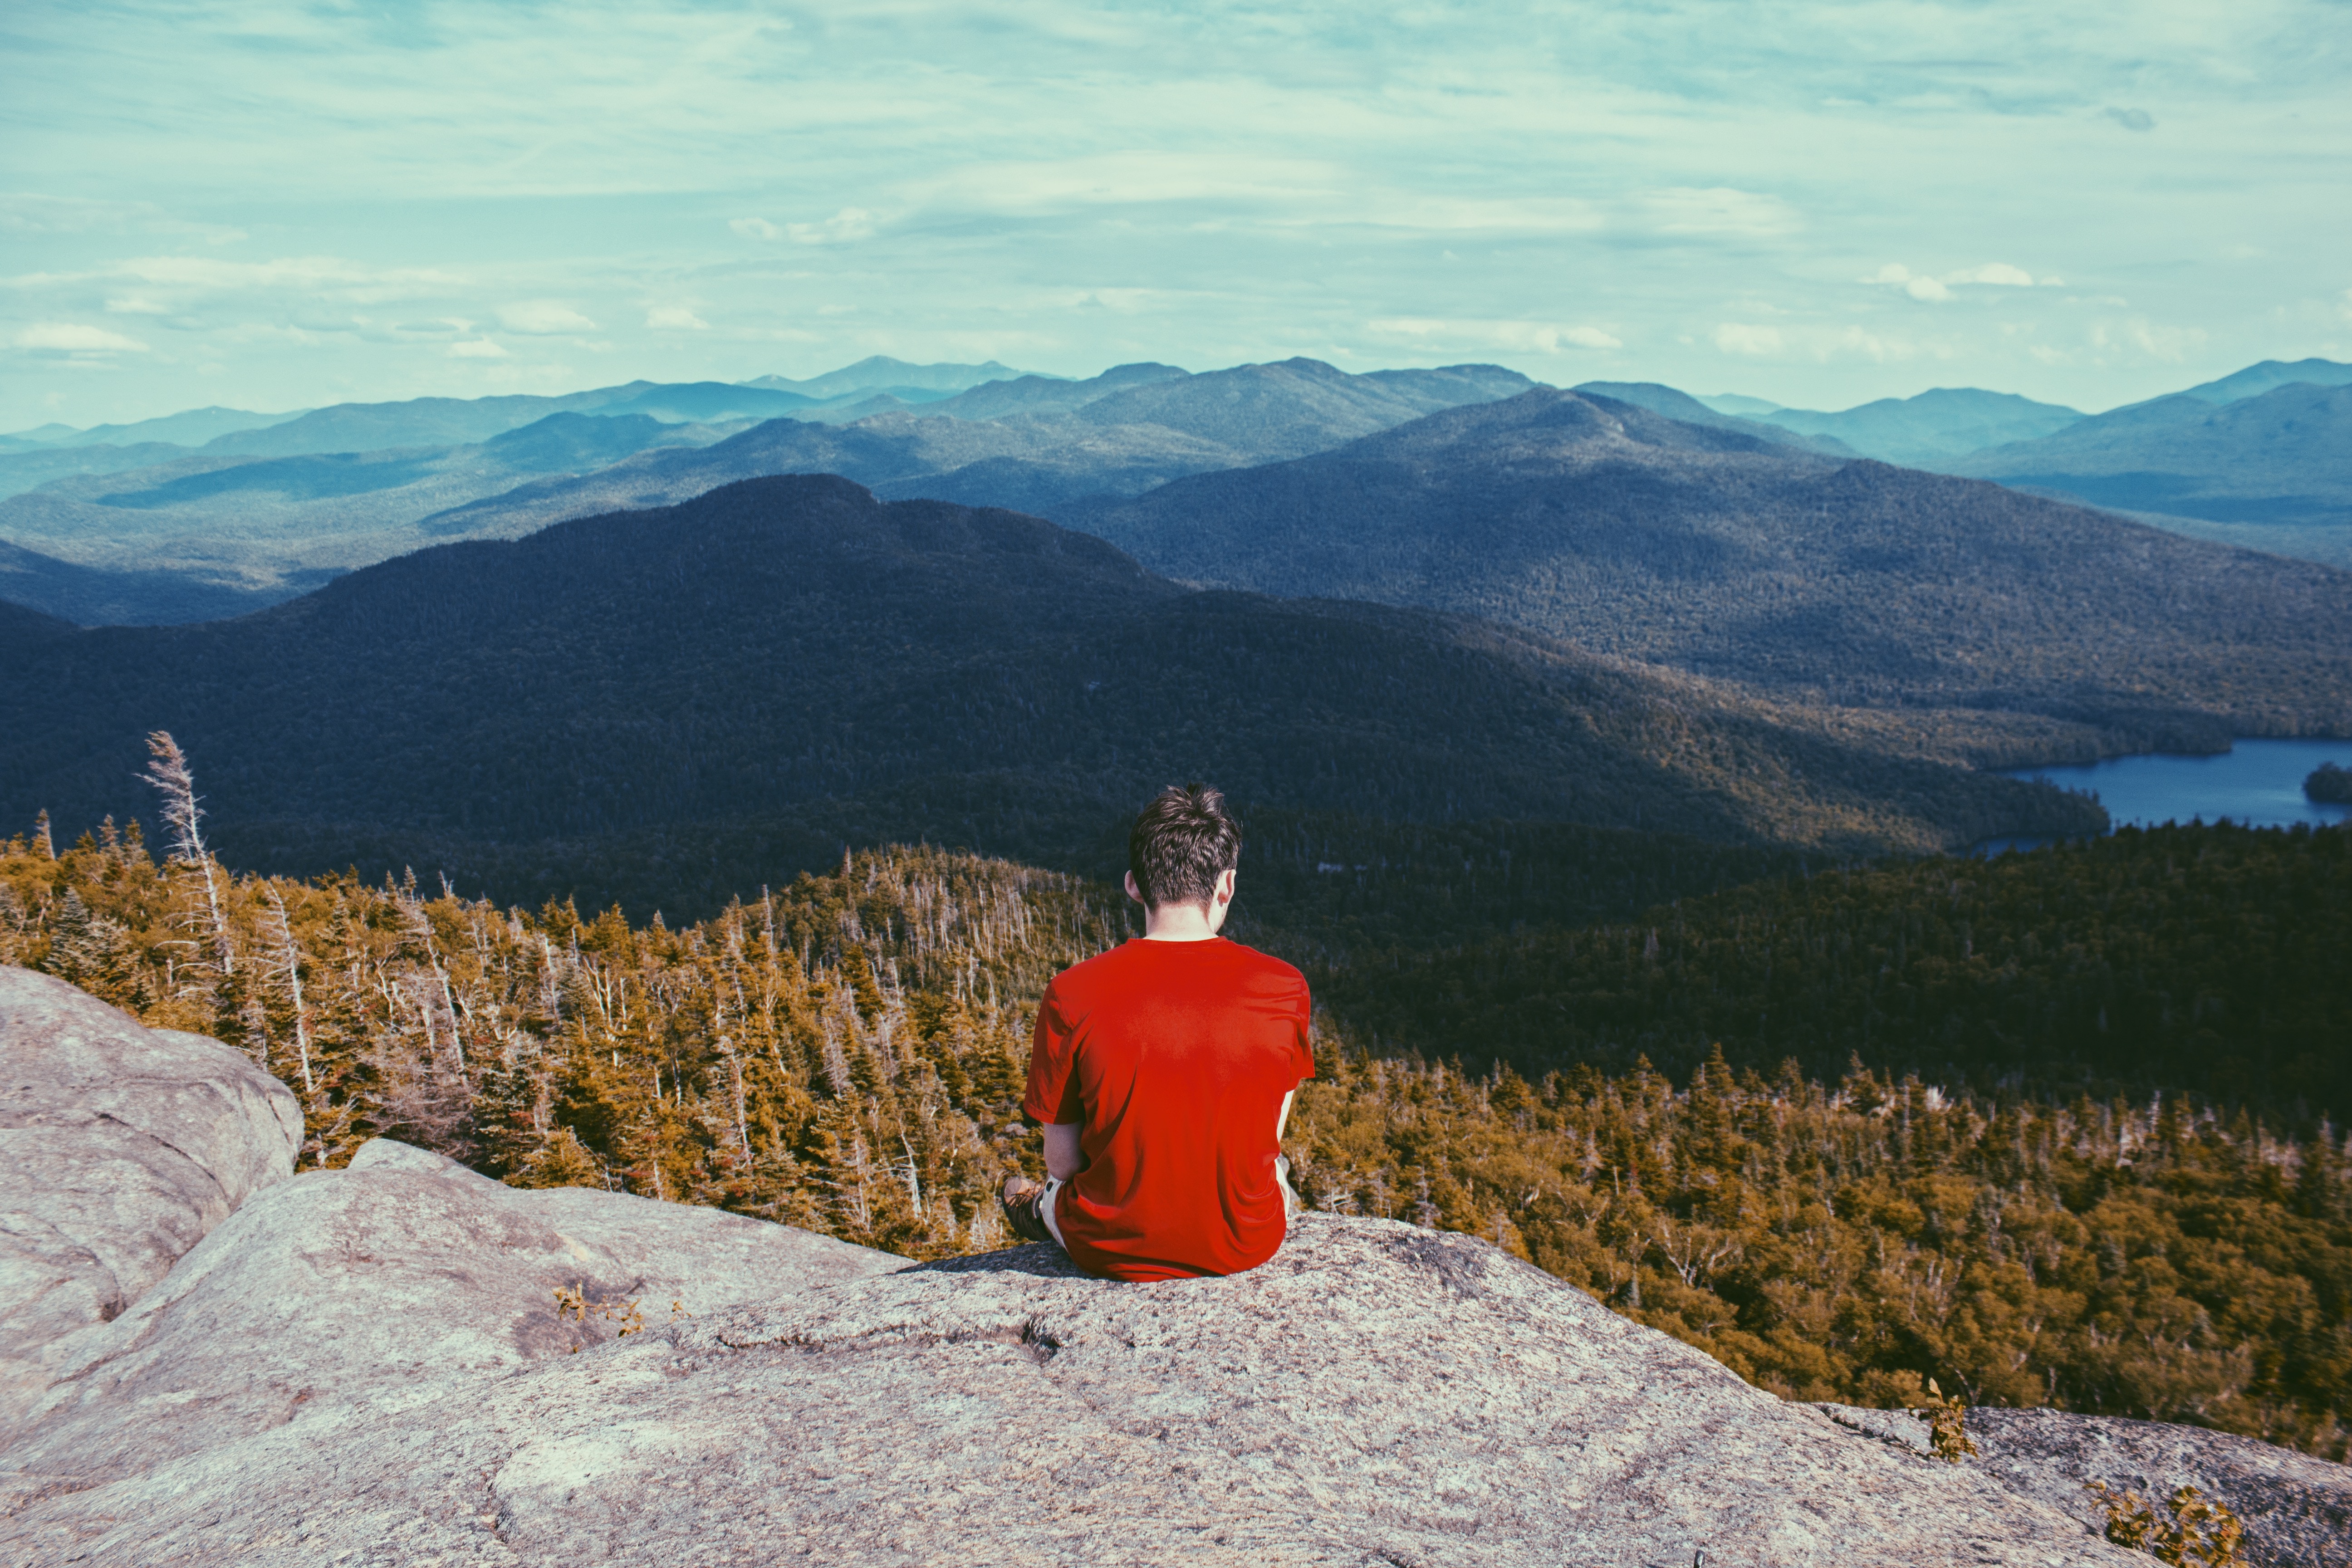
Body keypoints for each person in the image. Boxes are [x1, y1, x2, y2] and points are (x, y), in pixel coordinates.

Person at [1000, 784, 1313, 1281]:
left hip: (1108, 1245)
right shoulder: (1284, 987)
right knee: (1274, 1171)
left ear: (1133, 885)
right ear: (1225, 886)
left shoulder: (1070, 994)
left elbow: (1062, 1163)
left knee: (1052, 1192)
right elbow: (1268, 1135)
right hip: (1245, 1241)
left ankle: (1034, 1209)